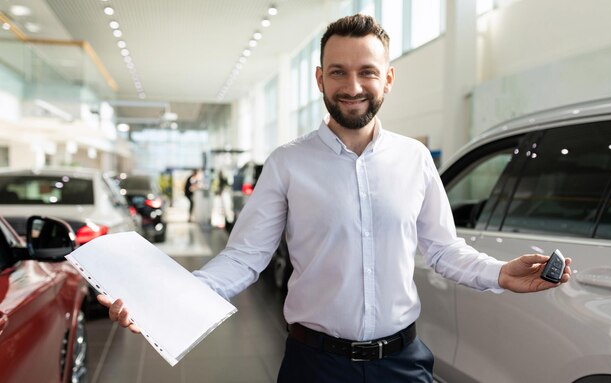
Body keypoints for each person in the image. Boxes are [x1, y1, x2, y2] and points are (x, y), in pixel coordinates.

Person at [98, 14, 572, 383]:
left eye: (367, 72)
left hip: (402, 363)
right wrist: (165, 302)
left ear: (388, 78)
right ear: (320, 78)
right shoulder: (287, 163)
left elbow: (444, 250)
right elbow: (244, 259)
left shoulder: (414, 159)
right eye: (339, 73)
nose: (352, 87)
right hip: (314, 366)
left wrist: (498, 273)